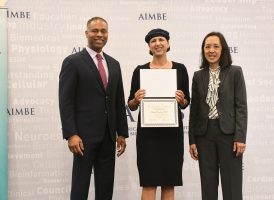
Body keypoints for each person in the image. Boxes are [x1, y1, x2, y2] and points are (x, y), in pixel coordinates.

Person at [59, 16, 128, 200]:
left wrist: (121, 132)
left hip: (108, 136)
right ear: (86, 33)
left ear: (107, 34)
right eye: (95, 30)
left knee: (105, 189)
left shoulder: (114, 64)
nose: (99, 34)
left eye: (103, 31)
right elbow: (65, 102)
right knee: (80, 188)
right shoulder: (72, 62)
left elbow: (118, 101)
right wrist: (71, 134)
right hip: (82, 138)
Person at [128, 28, 190, 200]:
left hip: (172, 134)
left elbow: (186, 103)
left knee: (169, 182)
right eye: (153, 41)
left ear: (168, 44)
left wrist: (182, 99)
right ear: (149, 46)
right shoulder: (140, 70)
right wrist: (136, 99)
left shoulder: (180, 69)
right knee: (149, 182)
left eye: (161, 40)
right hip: (148, 135)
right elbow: (131, 105)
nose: (158, 43)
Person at [189, 31, 247, 200]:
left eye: (215, 46)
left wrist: (240, 137)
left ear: (223, 50)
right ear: (203, 50)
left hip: (229, 135)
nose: (211, 50)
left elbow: (241, 107)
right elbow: (194, 110)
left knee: (232, 185)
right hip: (204, 135)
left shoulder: (235, 72)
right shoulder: (198, 76)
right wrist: (192, 140)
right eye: (207, 47)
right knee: (208, 185)